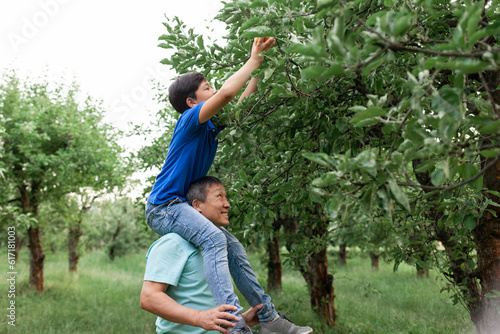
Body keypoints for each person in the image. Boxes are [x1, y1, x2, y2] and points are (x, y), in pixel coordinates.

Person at [141, 176, 313, 333]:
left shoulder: (220, 247)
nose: (227, 204)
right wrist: (199, 318)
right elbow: (149, 298)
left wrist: (238, 319)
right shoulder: (172, 243)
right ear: (197, 205)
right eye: (219, 196)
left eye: (226, 197)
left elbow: (204, 301)